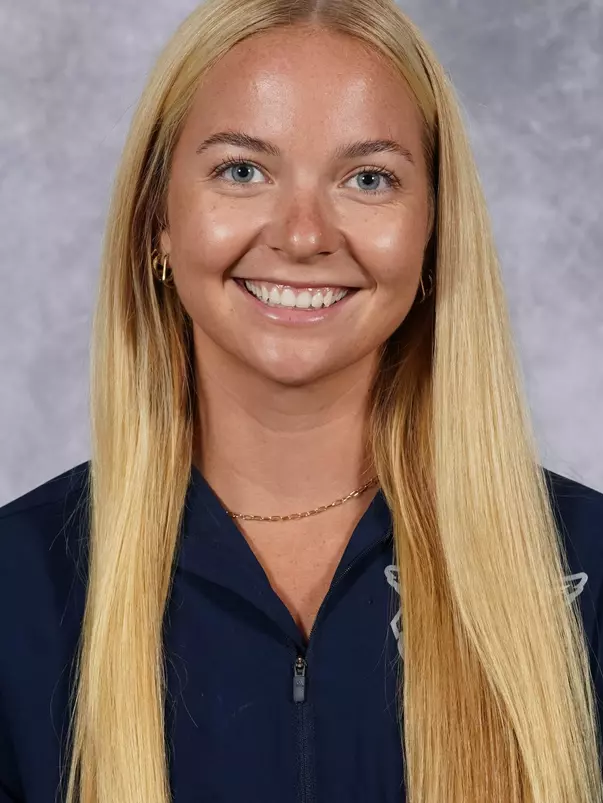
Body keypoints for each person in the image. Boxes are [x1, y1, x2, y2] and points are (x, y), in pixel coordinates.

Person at [1, 0, 602, 801]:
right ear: (159, 223)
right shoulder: (18, 590)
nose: (303, 233)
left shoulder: (584, 569)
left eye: (368, 178)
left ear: (431, 234)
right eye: (241, 170)